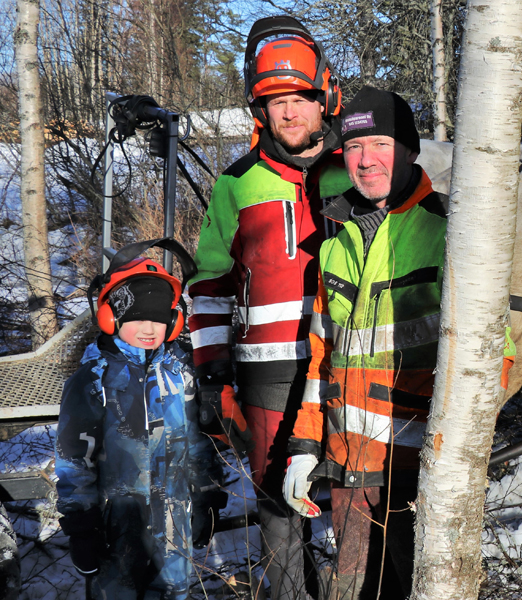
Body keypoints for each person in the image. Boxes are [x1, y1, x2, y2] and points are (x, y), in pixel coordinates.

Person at [187, 16, 352, 599]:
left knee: (360, 503)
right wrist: (211, 372)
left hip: (354, 365)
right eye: (274, 102)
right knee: (280, 515)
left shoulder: (359, 171)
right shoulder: (237, 183)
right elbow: (208, 283)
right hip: (270, 373)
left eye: (300, 99)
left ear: (324, 95)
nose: (289, 114)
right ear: (259, 110)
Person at [280, 86, 445, 599]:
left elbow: (493, 360)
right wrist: (304, 449)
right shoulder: (335, 247)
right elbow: (321, 361)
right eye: (354, 147)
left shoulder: (449, 236)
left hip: (417, 475)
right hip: (349, 470)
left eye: (380, 143)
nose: (365, 159)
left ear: (410, 150)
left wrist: (449, 459)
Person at [55, 245, 224, 600]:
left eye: (159, 319)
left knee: (172, 593)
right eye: (137, 318)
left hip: (174, 525)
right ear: (110, 318)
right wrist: (81, 526)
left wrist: (207, 493)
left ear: (174, 321)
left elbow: (197, 442)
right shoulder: (93, 381)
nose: (149, 328)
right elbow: (74, 461)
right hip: (115, 529)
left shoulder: (182, 375)